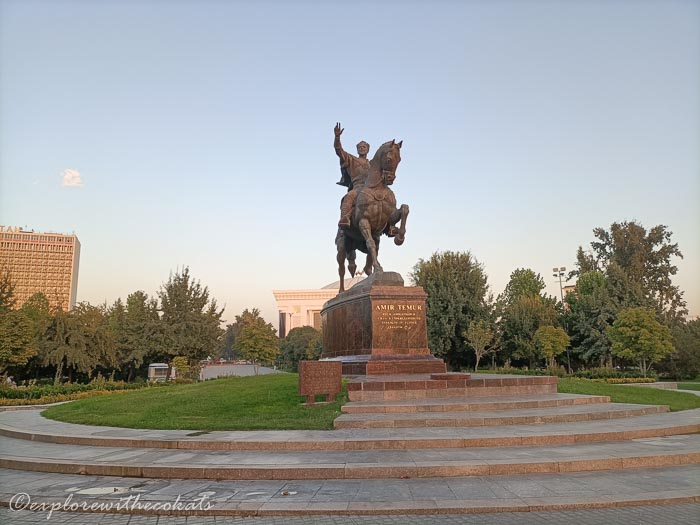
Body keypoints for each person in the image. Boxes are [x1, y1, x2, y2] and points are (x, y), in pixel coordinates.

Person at [334, 122, 371, 228]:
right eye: (360, 147)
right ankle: (345, 217)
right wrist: (337, 137)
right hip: (358, 187)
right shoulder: (351, 159)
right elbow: (339, 151)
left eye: (364, 147)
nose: (362, 148)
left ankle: (390, 225)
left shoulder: (372, 164)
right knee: (349, 196)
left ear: (368, 149)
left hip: (371, 188)